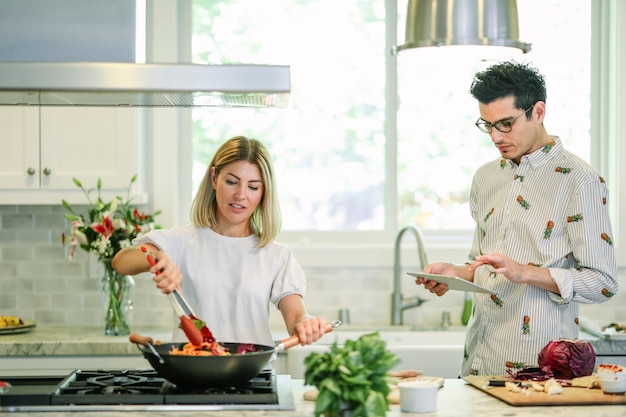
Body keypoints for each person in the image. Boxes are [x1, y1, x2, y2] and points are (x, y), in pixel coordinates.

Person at [414, 61, 618, 377]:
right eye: (488, 124)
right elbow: (482, 267)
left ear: (538, 111)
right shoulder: (486, 177)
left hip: (541, 376)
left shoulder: (581, 181)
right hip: (478, 367)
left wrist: (528, 273)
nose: (496, 137)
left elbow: (603, 283)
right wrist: (455, 274)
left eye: (506, 123)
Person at [112, 136, 328, 347]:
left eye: (253, 187)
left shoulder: (276, 255)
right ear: (214, 178)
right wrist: (157, 257)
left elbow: (296, 317)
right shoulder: (181, 242)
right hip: (192, 373)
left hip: (251, 375)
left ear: (263, 193)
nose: (240, 195)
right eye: (232, 182)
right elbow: (121, 262)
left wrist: (306, 324)